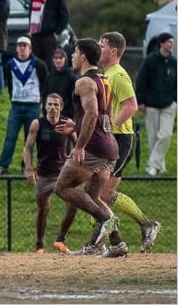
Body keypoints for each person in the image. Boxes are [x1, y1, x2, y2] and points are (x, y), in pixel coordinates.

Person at [49, 40, 124, 257]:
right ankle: (117, 243)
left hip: (93, 147)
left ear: (82, 56)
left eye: (74, 53)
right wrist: (77, 125)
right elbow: (102, 115)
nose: (72, 56)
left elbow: (92, 113)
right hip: (109, 147)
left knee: (61, 188)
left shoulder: (83, 82)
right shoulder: (104, 79)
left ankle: (105, 221)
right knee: (93, 196)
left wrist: (80, 145)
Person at [95, 32, 161, 254]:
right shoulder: (107, 74)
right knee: (99, 193)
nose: (99, 48)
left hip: (121, 138)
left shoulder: (119, 75)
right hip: (112, 139)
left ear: (113, 51)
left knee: (101, 194)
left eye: (102, 45)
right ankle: (109, 240)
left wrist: (110, 126)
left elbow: (131, 106)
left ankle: (133, 230)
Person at [21, 92, 71, 253]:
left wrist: (78, 166)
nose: (52, 108)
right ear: (44, 106)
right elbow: (27, 148)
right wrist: (29, 169)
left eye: (56, 105)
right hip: (44, 174)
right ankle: (39, 245)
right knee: (43, 208)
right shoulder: (37, 124)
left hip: (63, 174)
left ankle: (61, 239)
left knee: (73, 204)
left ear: (61, 107)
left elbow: (79, 145)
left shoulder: (67, 123)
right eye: (49, 104)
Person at [0, 36, 47, 175]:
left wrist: (42, 101)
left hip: (33, 106)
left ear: (30, 48)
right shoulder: (10, 64)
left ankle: (26, 166)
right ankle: (3, 165)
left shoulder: (39, 64)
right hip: (16, 106)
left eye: (25, 46)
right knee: (10, 137)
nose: (22, 48)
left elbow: (45, 83)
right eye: (20, 46)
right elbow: (9, 83)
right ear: (16, 48)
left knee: (29, 138)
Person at [135, 33, 176, 176]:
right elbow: (141, 81)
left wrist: (175, 101)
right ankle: (159, 166)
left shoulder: (174, 62)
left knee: (165, 135)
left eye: (172, 41)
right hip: (151, 105)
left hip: (169, 105)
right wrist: (140, 101)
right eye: (169, 41)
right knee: (153, 138)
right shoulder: (150, 61)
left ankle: (152, 165)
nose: (172, 44)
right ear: (161, 43)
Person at [28, 0, 71, 65]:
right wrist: (30, 29)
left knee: (50, 64)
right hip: (36, 34)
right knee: (36, 64)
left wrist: (56, 32)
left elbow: (65, 16)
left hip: (50, 36)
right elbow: (31, 11)